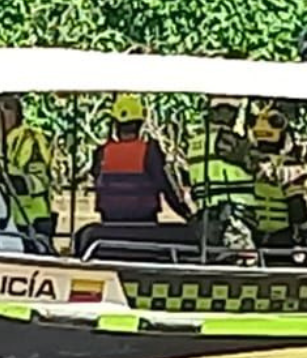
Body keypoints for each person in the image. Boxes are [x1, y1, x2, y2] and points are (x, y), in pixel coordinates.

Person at [90, 93, 193, 224]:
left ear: (116, 124)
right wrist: (187, 214)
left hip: (110, 223)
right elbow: (167, 189)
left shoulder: (102, 153)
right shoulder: (149, 151)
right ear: (139, 124)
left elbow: (96, 179)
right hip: (144, 224)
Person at [186, 96, 257, 256]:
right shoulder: (227, 140)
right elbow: (258, 165)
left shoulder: (196, 142)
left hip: (206, 216)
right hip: (234, 217)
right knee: (245, 263)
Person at [0, 94, 56, 250]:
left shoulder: (29, 140)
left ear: (9, 113)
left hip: (29, 223)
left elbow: (40, 181)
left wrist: (2, 180)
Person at [249, 106, 307, 247]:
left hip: (263, 235)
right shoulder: (291, 169)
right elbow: (301, 216)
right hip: (269, 235)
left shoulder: (246, 163)